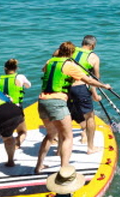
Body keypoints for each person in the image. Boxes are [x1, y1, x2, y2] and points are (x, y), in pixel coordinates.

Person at [33, 41, 109, 172]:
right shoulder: (69, 66)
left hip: (42, 101)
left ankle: (39, 166)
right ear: (71, 53)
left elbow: (44, 70)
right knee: (68, 137)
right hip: (57, 102)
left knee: (50, 135)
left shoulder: (49, 62)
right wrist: (104, 86)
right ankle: (64, 169)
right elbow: (88, 80)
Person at [71, 35, 107, 147]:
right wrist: (95, 94)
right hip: (80, 88)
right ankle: (90, 145)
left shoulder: (70, 51)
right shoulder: (94, 57)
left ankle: (57, 138)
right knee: (90, 117)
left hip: (65, 88)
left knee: (69, 112)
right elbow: (94, 79)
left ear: (82, 43)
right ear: (92, 45)